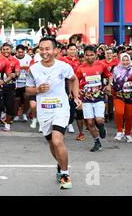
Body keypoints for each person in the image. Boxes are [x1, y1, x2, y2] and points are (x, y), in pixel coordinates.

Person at [26, 37, 82, 190]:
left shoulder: (63, 66)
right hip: (44, 111)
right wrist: (37, 90)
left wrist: (75, 96)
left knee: (58, 141)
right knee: (52, 143)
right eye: (41, 49)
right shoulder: (33, 69)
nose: (44, 52)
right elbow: (27, 90)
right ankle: (60, 164)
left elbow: (74, 79)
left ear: (56, 51)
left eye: (48, 49)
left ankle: (65, 173)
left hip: (60, 108)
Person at [75, 45, 111, 152]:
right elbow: (75, 81)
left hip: (99, 97)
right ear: (84, 56)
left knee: (99, 120)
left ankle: (101, 126)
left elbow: (109, 75)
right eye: (87, 55)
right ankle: (97, 142)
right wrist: (77, 91)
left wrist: (109, 85)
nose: (89, 57)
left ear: (96, 55)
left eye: (92, 55)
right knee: (90, 123)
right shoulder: (81, 68)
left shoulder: (101, 65)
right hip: (86, 98)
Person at [110, 53, 132, 143]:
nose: (125, 62)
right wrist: (110, 86)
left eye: (127, 60)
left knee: (129, 116)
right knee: (119, 112)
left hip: (130, 96)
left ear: (130, 60)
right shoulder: (115, 69)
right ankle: (119, 131)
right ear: (120, 60)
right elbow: (111, 80)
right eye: (123, 60)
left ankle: (128, 134)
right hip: (118, 95)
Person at [62, 43, 84, 140]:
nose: (72, 51)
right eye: (70, 49)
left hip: (77, 84)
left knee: (76, 105)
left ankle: (71, 123)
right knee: (68, 104)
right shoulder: (63, 60)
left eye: (74, 49)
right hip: (65, 85)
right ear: (67, 50)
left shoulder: (79, 61)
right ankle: (68, 123)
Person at [0, 43, 20, 132]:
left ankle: (7, 123)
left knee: (9, 105)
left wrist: (15, 74)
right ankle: (2, 112)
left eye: (7, 49)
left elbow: (18, 72)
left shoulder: (15, 61)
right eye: (4, 49)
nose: (5, 51)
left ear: (11, 49)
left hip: (9, 85)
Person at [14, 44, 32, 123]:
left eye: (22, 52)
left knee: (26, 97)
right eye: (19, 52)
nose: (21, 54)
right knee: (16, 99)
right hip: (16, 83)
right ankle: (16, 115)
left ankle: (24, 114)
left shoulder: (28, 58)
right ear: (16, 52)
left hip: (26, 82)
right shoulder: (13, 59)